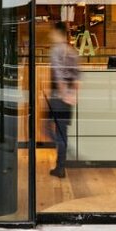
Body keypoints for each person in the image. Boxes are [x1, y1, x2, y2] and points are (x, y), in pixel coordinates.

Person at [47, 21, 79, 179]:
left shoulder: (56, 51)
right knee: (62, 132)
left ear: (58, 33)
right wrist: (72, 95)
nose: (50, 35)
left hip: (58, 97)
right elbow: (77, 77)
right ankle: (61, 163)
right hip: (68, 98)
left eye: (52, 32)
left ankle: (61, 164)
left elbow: (59, 75)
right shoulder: (72, 51)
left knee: (46, 126)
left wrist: (63, 94)